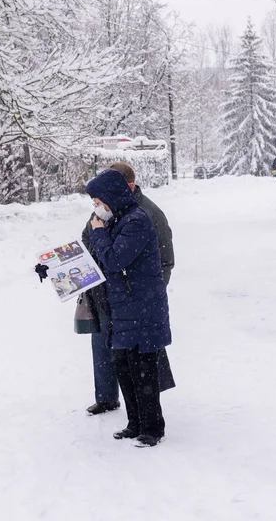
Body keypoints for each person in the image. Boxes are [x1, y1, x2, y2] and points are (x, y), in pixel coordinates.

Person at [85, 169, 172, 447]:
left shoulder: (136, 221)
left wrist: (98, 232)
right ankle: (134, 423)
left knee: (142, 369)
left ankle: (152, 428)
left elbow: (113, 259)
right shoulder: (118, 219)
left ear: (112, 197)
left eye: (99, 201)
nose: (97, 208)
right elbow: (96, 255)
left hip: (141, 308)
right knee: (124, 367)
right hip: (123, 307)